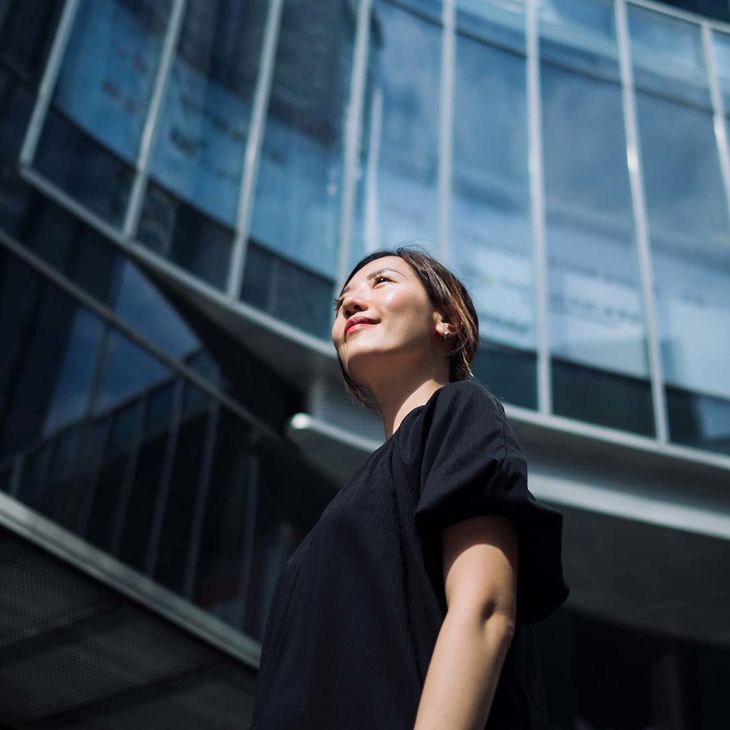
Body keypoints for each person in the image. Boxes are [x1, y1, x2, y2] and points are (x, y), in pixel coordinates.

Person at [250, 245, 570, 729]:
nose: (351, 304)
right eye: (342, 303)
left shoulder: (459, 411)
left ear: (447, 323)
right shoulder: (342, 508)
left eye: (381, 282)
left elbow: (484, 610)